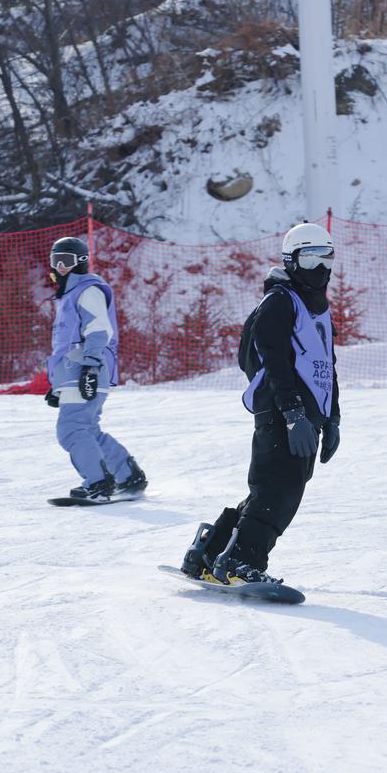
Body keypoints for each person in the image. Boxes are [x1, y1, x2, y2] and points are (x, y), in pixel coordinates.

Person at [181, 222, 340, 585]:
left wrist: (332, 420)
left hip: (306, 416)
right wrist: (292, 413)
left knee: (272, 490)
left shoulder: (318, 309)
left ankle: (209, 553)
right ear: (292, 260)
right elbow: (273, 359)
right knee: (279, 494)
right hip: (284, 413)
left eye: (326, 256)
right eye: (311, 257)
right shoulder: (280, 301)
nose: (321, 267)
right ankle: (240, 563)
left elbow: (327, 366)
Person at [45, 236, 147, 501]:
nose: (61, 267)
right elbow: (66, 343)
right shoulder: (68, 296)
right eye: (56, 261)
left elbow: (99, 330)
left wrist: (90, 367)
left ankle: (98, 483)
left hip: (86, 366)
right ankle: (128, 476)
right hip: (74, 370)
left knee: (72, 429)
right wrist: (58, 385)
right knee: (87, 428)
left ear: (80, 262)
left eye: (66, 261)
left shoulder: (87, 289)